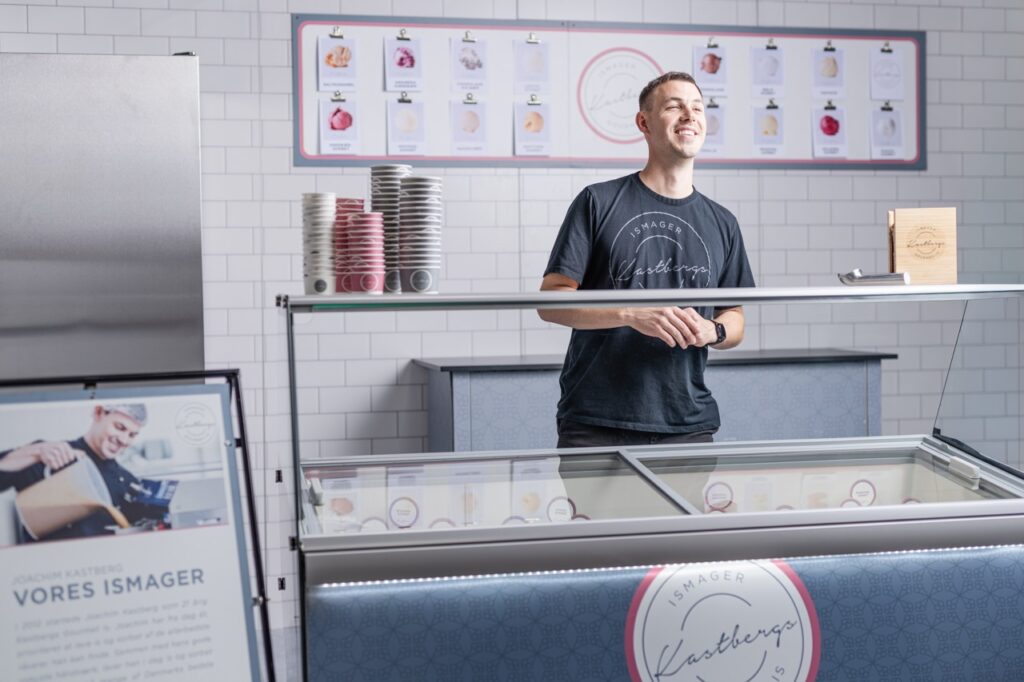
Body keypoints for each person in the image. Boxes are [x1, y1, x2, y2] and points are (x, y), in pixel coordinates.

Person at [540, 72, 755, 447]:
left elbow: (734, 317)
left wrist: (713, 331)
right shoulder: (597, 202)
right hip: (597, 423)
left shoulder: (723, 222)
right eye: (675, 106)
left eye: (698, 107)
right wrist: (630, 313)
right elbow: (550, 301)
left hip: (688, 423)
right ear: (644, 122)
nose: (690, 115)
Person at [0, 403, 154, 540]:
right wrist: (35, 452)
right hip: (50, 567)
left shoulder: (128, 482)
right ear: (98, 412)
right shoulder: (51, 455)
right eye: (120, 427)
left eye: (132, 435)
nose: (124, 440)